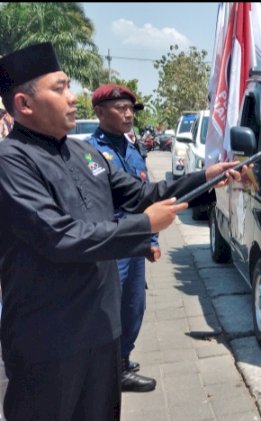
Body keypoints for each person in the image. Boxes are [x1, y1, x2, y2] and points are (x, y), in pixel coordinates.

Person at [0, 42, 247, 420]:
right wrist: (144, 225)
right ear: (24, 104)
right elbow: (59, 236)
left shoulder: (84, 154)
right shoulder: (11, 162)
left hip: (100, 329)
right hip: (48, 341)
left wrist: (206, 178)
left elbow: (144, 193)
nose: (73, 97)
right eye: (60, 87)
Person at [85, 83, 158, 392]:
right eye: (121, 108)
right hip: (113, 242)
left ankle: (122, 362)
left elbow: (147, 193)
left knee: (134, 305)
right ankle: (105, 372)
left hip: (136, 239)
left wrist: (151, 239)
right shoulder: (89, 152)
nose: (129, 114)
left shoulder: (133, 147)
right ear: (100, 112)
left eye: (131, 109)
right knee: (107, 311)